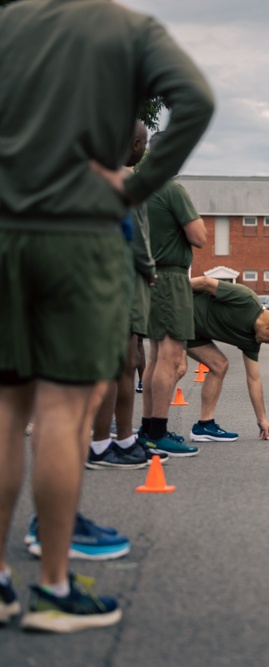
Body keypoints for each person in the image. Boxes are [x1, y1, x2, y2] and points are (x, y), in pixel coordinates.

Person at [0, 0, 213, 633]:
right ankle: (55, 590)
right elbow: (195, 100)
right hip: (81, 232)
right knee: (65, 413)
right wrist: (130, 187)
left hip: (6, 229)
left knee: (8, 414)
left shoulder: (9, 21)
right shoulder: (125, 27)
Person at [87, 121, 163, 471]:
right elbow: (137, 237)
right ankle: (105, 442)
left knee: (125, 360)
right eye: (144, 143)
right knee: (122, 361)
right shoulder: (126, 180)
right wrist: (149, 269)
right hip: (126, 280)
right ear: (135, 144)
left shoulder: (92, 177)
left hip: (103, 279)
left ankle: (122, 439)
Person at [137, 133, 207, 458]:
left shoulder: (139, 187)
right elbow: (200, 236)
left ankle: (147, 430)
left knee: (154, 357)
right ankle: (158, 433)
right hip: (171, 277)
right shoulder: (172, 189)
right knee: (169, 356)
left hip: (147, 276)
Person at [186, 277, 269, 441]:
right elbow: (205, 283)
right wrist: (171, 291)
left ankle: (204, 425)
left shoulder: (252, 341)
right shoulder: (246, 299)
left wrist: (262, 419)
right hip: (179, 314)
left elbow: (254, 379)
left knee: (219, 365)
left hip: (193, 335)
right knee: (175, 367)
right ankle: (151, 427)